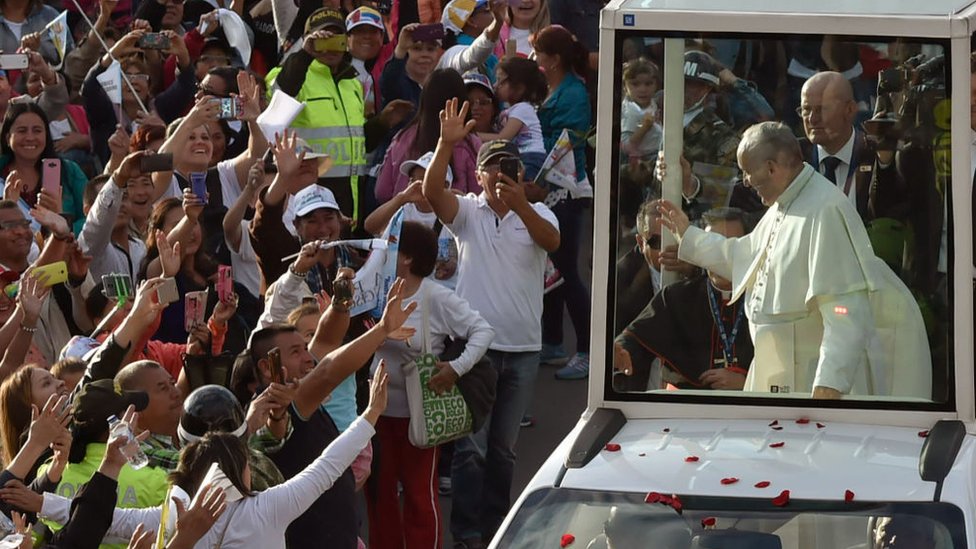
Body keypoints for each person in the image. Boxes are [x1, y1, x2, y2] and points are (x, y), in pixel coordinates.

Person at [656, 121, 931, 399]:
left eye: (748, 172)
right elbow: (742, 256)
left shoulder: (825, 209)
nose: (747, 182)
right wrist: (688, 235)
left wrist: (829, 385)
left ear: (772, 168)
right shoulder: (784, 204)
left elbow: (846, 310)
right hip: (779, 372)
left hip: (810, 382)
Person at [422, 98, 559, 548]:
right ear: (477, 176)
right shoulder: (467, 212)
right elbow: (431, 194)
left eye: (510, 168)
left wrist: (521, 206)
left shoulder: (539, 214)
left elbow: (553, 241)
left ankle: (497, 532)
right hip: (475, 351)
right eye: (492, 168)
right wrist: (445, 144)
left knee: (503, 451)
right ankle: (466, 536)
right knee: (472, 451)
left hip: (522, 351)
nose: (501, 175)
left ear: (522, 175)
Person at [365, 221, 494, 549]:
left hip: (418, 415)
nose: (381, 251)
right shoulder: (373, 291)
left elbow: (482, 331)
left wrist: (456, 368)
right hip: (373, 415)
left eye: (389, 245)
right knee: (379, 495)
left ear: (406, 257)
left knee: (419, 496)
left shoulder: (434, 297)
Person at [266, 6, 413, 225]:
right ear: (309, 41)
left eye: (337, 37)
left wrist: (383, 122)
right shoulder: (289, 74)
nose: (331, 45)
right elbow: (279, 97)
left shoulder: (352, 82)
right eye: (323, 38)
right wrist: (305, 55)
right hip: (308, 202)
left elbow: (356, 142)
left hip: (350, 198)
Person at [613, 207, 755, 392]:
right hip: (686, 406)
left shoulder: (765, 295)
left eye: (728, 246)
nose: (721, 255)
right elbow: (635, 339)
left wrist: (748, 384)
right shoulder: (676, 297)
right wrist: (622, 352)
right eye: (713, 245)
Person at [532, 24, 592, 379]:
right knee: (551, 270)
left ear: (553, 59)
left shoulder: (573, 94)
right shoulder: (554, 88)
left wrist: (537, 184)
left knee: (568, 272)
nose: (535, 58)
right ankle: (553, 342)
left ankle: (586, 350)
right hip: (549, 191)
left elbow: (564, 148)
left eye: (539, 52)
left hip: (566, 192)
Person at [798, 71, 909, 223]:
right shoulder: (793, 158)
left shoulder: (875, 153)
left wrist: (884, 162)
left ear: (849, 110)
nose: (812, 119)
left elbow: (887, 216)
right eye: (806, 109)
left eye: (822, 109)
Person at [375, 69, 482, 204]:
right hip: (451, 221)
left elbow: (382, 192)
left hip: (406, 220)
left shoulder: (402, 138)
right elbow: (479, 196)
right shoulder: (470, 143)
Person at [477, 56, 548, 180]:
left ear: (519, 87)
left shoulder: (523, 109)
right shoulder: (510, 110)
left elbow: (503, 138)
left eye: (500, 81)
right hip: (520, 156)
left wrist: (473, 135)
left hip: (530, 158)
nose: (495, 85)